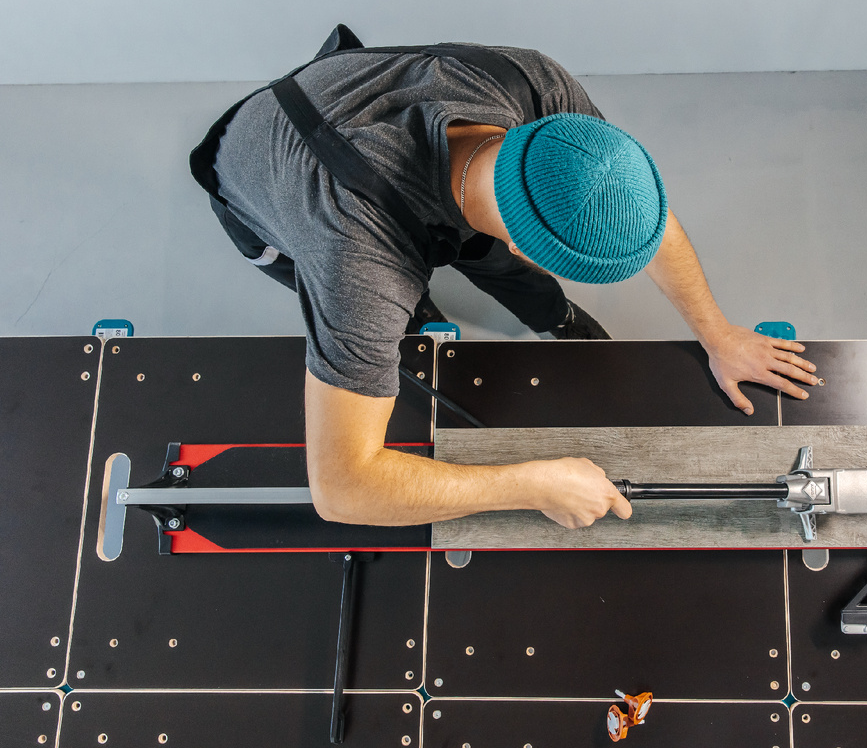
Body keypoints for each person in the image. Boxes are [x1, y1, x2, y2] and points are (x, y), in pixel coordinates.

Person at [190, 26, 818, 531]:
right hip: (264, 169)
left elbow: (634, 208)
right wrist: (532, 485)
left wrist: (718, 333)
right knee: (398, 315)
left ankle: (555, 318)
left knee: (491, 265)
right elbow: (342, 489)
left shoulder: (539, 92)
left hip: (359, 115)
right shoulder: (360, 265)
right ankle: (409, 325)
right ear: (522, 241)